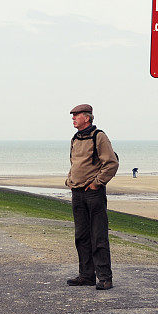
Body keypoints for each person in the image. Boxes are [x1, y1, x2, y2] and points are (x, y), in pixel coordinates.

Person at [65, 103, 119, 290]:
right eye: (73, 116)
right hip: (77, 193)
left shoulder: (99, 136)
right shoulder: (75, 138)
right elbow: (75, 163)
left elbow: (111, 163)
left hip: (93, 193)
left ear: (87, 117)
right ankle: (86, 276)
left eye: (76, 116)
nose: (73, 118)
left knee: (98, 236)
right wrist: (70, 180)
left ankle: (105, 278)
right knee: (81, 236)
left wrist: (97, 183)